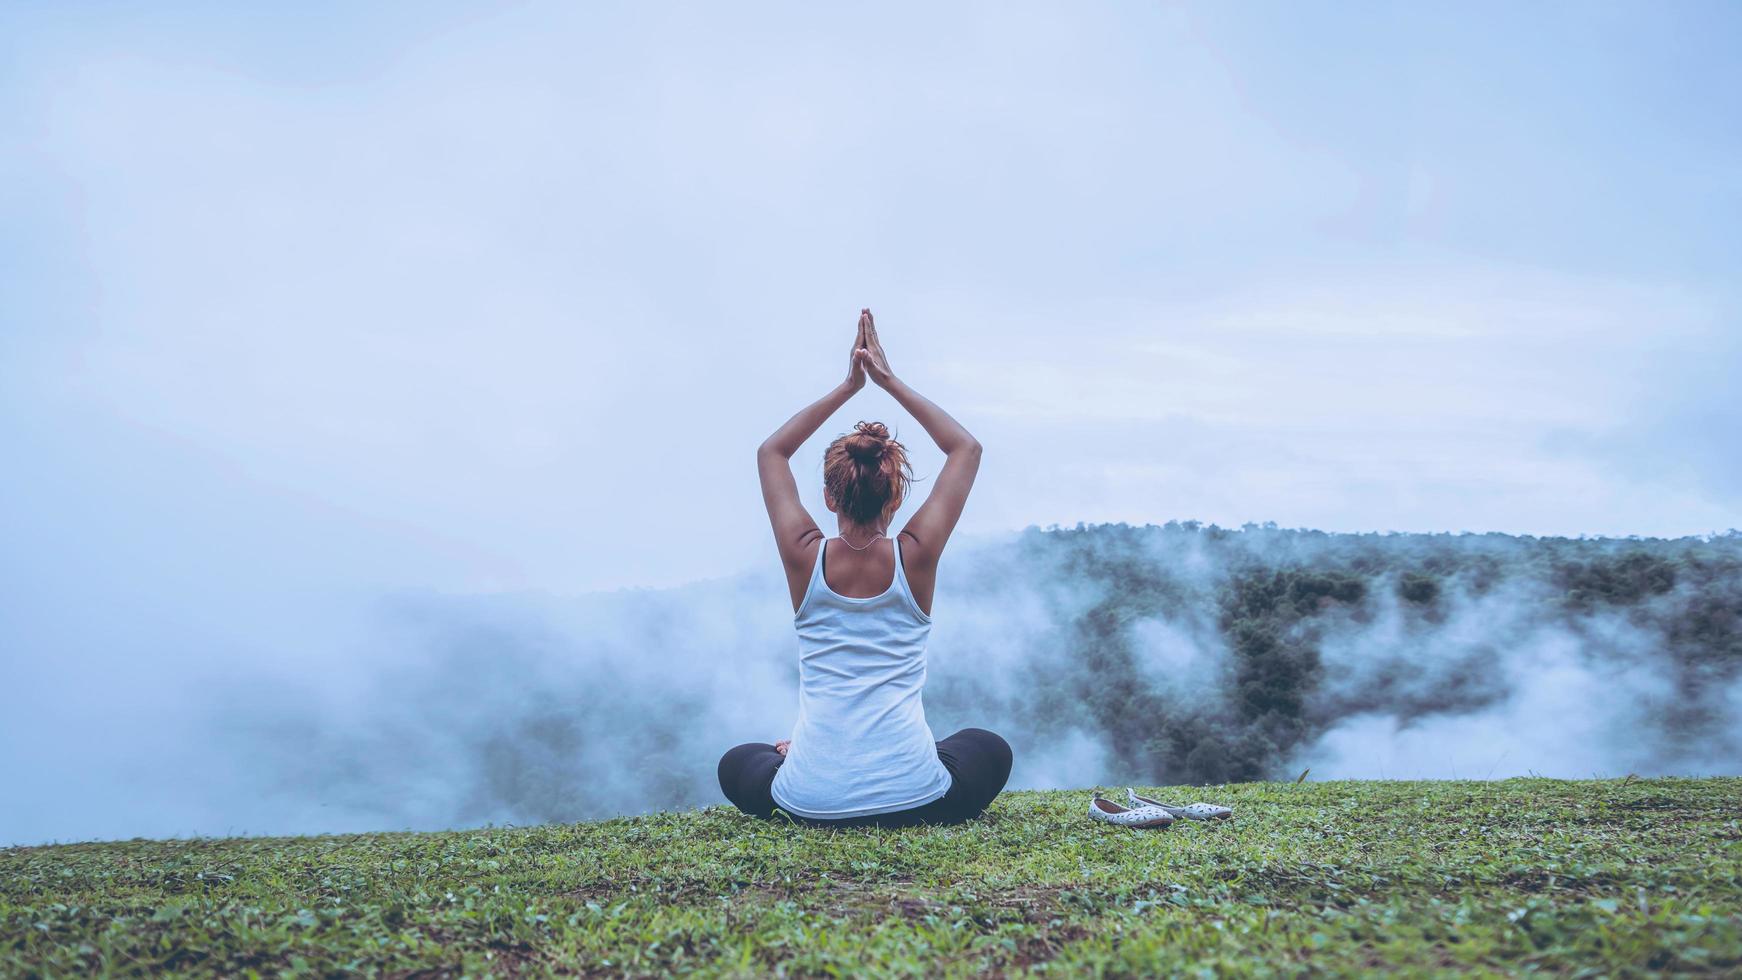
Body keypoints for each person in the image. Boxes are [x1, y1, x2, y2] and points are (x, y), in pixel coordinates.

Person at [716, 308, 1012, 828]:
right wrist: (887, 380)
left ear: (829, 496)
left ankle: (802, 755)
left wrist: (848, 386)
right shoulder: (915, 555)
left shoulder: (803, 555)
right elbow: (965, 447)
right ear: (895, 500)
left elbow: (772, 453)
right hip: (919, 801)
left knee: (740, 761)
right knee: (987, 746)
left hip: (808, 802)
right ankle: (897, 759)